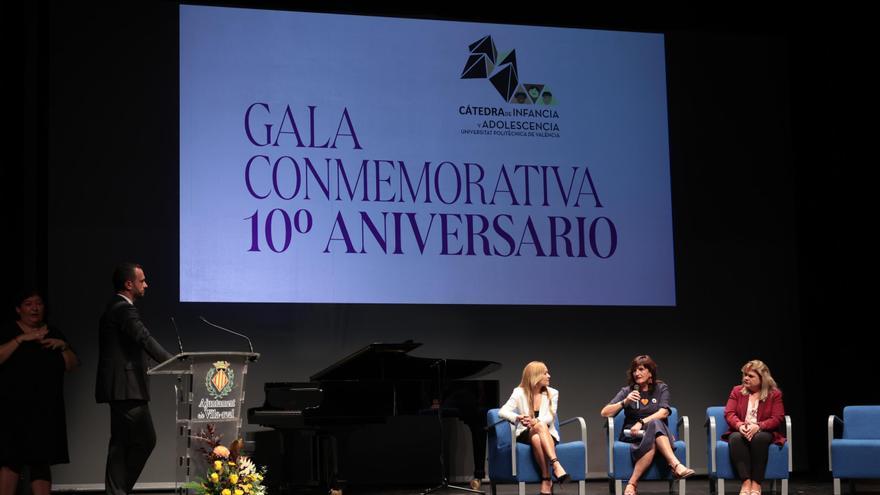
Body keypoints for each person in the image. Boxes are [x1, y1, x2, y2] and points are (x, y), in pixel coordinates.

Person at [96, 263, 173, 495]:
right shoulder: (123, 308)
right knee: (144, 439)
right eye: (142, 281)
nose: (146, 285)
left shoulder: (115, 307)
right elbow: (143, 337)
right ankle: (118, 491)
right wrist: (172, 360)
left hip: (120, 388)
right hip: (126, 388)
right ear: (129, 284)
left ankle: (117, 491)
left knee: (120, 445)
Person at [0, 289, 79, 495]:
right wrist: (22, 339)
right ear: (18, 309)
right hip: (13, 409)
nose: (35, 308)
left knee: (41, 462)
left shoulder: (53, 332)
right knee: (11, 461)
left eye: (39, 303)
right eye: (28, 304)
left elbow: (72, 365)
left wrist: (64, 347)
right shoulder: (8, 331)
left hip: (46, 409)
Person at [601, 355, 693, 495]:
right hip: (633, 435)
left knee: (655, 425)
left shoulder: (661, 388)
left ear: (650, 372)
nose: (637, 373)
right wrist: (624, 402)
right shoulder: (627, 391)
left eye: (641, 369)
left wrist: (641, 422)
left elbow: (663, 413)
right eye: (634, 370)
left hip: (653, 431)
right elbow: (604, 412)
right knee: (655, 432)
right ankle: (676, 465)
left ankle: (632, 484)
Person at [498, 361, 568, 495]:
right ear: (535, 376)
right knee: (537, 429)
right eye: (545, 373)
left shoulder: (552, 393)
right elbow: (502, 411)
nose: (549, 376)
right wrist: (517, 417)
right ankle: (556, 464)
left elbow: (550, 417)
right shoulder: (519, 392)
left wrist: (535, 421)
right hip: (525, 433)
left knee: (537, 436)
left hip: (547, 434)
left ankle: (546, 478)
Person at [722, 360, 785, 495]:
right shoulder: (737, 391)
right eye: (745, 374)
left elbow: (777, 418)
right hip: (741, 430)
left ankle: (756, 483)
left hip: (764, 431)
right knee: (735, 438)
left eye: (750, 376)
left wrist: (759, 426)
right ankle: (746, 482)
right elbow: (729, 413)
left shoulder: (774, 394)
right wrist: (739, 426)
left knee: (760, 438)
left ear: (762, 378)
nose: (746, 378)